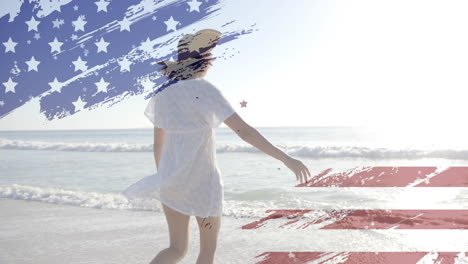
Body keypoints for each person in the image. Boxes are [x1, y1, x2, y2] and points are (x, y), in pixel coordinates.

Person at [123, 29, 311, 264]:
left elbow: (157, 144)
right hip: (204, 185)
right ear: (203, 61)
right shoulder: (205, 91)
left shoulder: (163, 95)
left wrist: (165, 176)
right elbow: (244, 131)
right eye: (210, 57)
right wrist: (286, 159)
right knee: (206, 253)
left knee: (176, 249)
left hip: (171, 183)